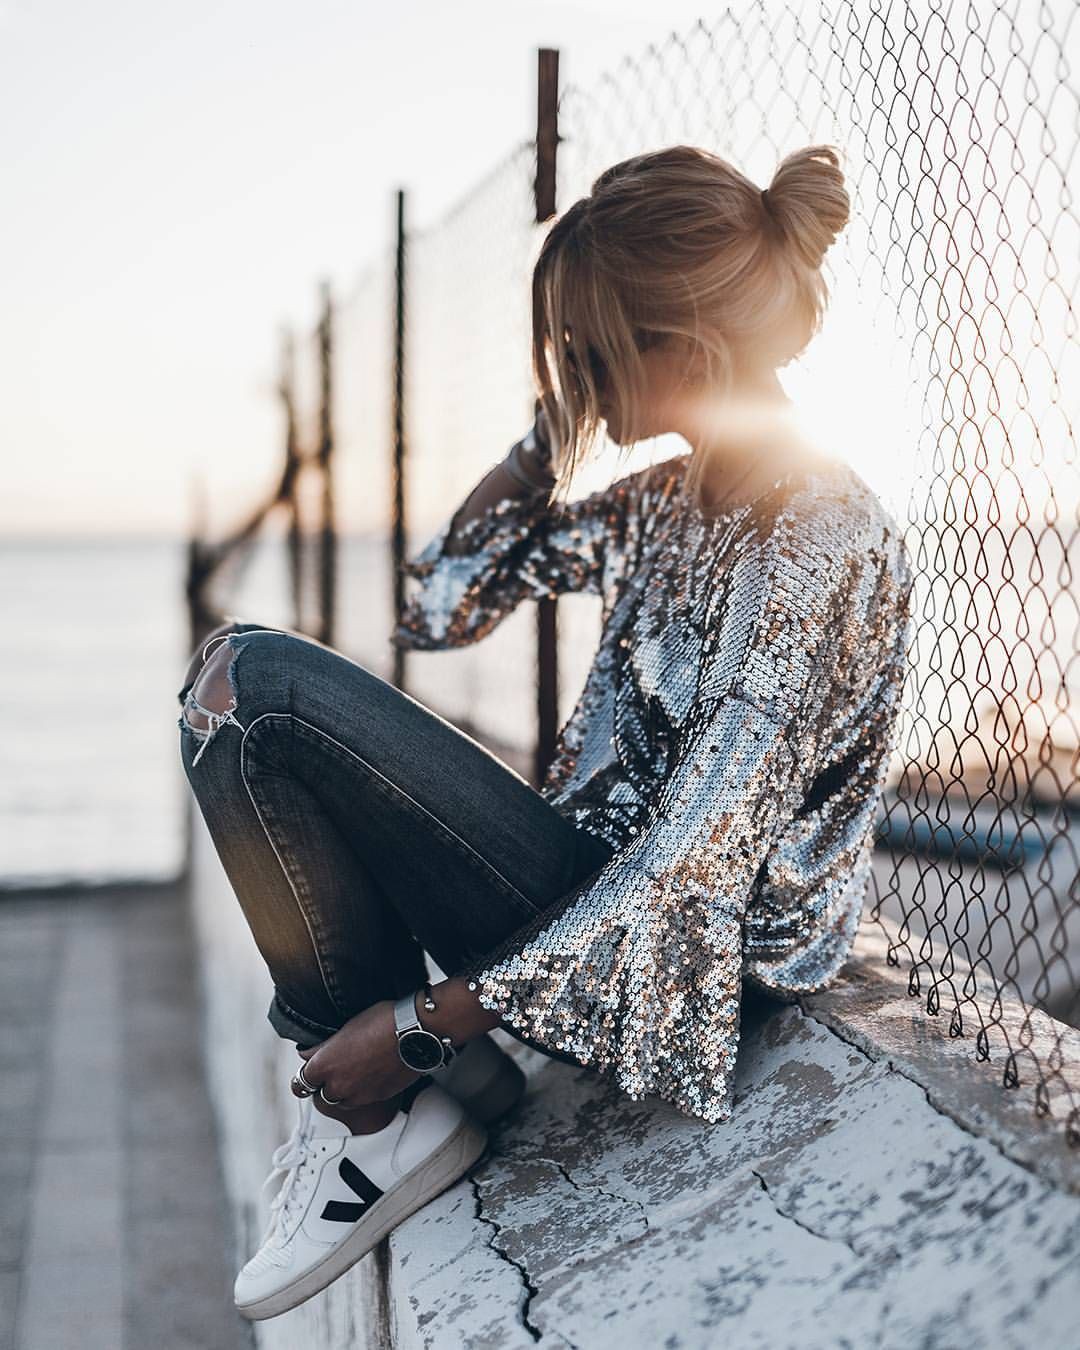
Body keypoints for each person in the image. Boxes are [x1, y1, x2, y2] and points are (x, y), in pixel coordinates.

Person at [176, 142, 913, 1322]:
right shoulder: (675, 502)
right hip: (585, 895)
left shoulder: (814, 537)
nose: (570, 373)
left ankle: (389, 1105)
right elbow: (439, 601)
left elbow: (693, 875)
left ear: (686, 347)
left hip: (696, 965)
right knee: (229, 685)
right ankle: (394, 1116)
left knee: (256, 686)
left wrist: (421, 1023)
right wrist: (547, 436)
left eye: (588, 347)